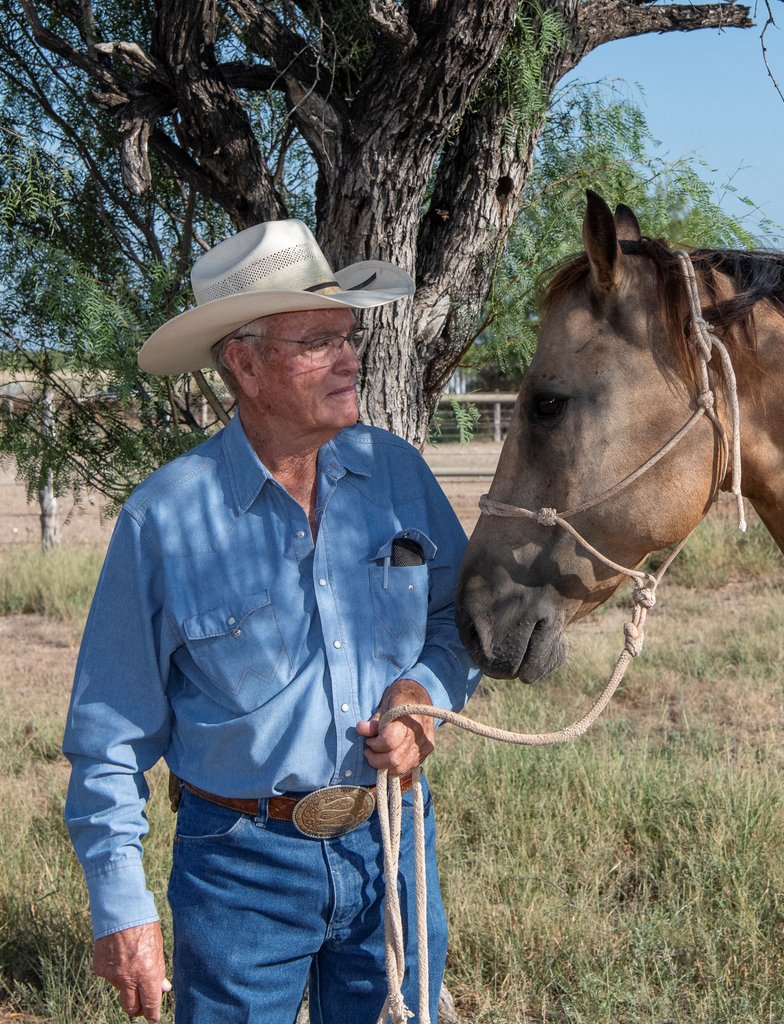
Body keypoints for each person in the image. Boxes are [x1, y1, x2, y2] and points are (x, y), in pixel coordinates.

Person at [62, 219, 480, 1024]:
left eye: (347, 336)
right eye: (316, 341)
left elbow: (460, 620)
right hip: (238, 866)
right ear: (244, 365)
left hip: (389, 842)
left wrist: (424, 690)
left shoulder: (395, 472)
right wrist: (122, 904)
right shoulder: (165, 519)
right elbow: (109, 731)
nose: (350, 357)